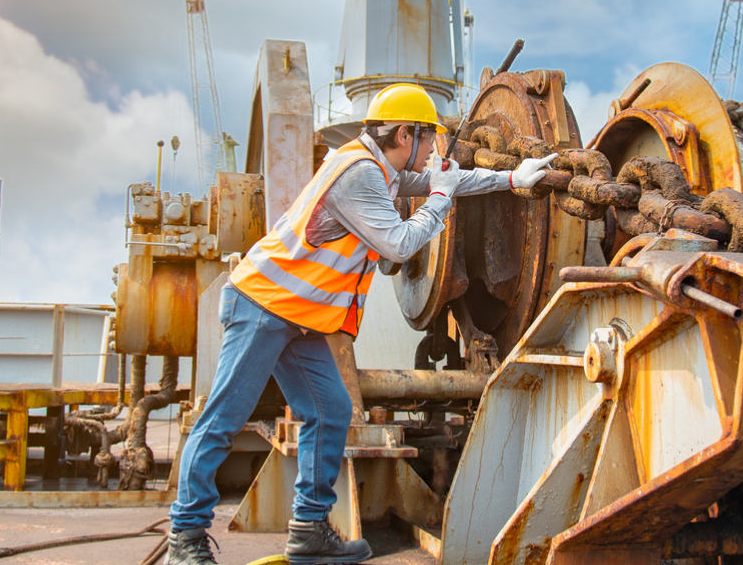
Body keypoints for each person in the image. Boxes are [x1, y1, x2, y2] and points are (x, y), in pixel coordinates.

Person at [165, 83, 557, 565]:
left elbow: (450, 180)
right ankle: (185, 540)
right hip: (264, 304)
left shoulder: (383, 169)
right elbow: (398, 244)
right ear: (405, 134)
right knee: (223, 417)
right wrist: (439, 196)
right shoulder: (359, 176)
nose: (435, 147)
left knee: (329, 412)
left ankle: (308, 532)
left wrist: (514, 179)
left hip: (302, 317)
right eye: (429, 137)